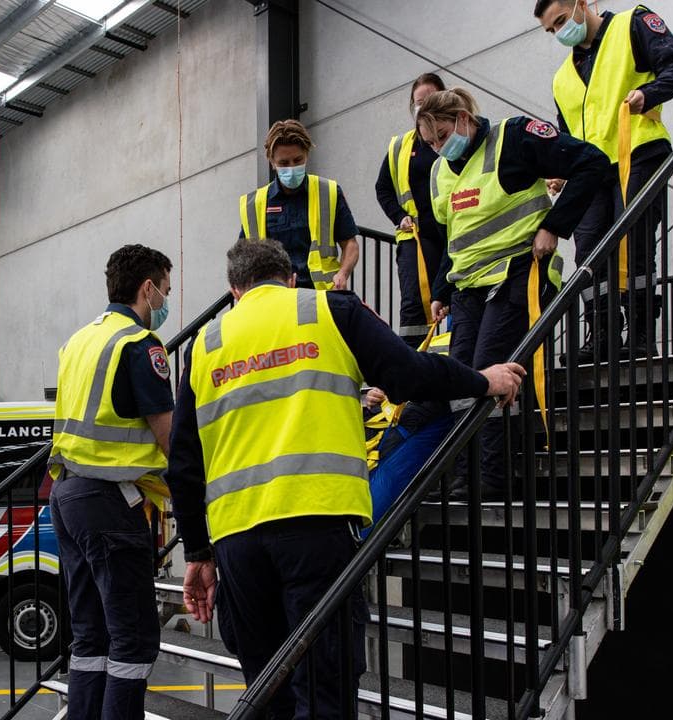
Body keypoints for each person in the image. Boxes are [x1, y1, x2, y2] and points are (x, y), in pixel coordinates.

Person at [167, 239, 526, 719]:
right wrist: (483, 381)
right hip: (317, 526)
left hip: (236, 542)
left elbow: (184, 464)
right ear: (290, 278)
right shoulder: (328, 310)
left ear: (234, 290)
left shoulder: (206, 345)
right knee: (325, 691)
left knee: (266, 695)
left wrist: (196, 553)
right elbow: (411, 374)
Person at [419, 88, 608, 501]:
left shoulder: (514, 137)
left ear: (465, 119)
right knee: (459, 379)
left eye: (443, 135)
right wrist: (441, 289)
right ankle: (461, 478)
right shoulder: (440, 173)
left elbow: (591, 162)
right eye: (431, 143)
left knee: (491, 368)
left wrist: (555, 225)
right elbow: (453, 236)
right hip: (468, 286)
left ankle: (493, 478)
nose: (438, 148)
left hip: (518, 272)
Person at [47, 244, 175, 720]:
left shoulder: (79, 340)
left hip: (66, 494)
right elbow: (170, 440)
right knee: (135, 638)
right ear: (147, 288)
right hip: (107, 501)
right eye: (165, 289)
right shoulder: (139, 345)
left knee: (92, 635)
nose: (165, 300)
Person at [535, 0, 673, 361]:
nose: (559, 32)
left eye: (561, 21)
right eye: (551, 30)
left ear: (582, 4)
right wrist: (561, 167)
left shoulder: (631, 24)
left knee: (634, 246)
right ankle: (601, 333)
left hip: (637, 150)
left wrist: (648, 94)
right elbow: (568, 131)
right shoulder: (563, 78)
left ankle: (640, 332)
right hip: (591, 171)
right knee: (589, 250)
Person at [374, 71, 452, 347]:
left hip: (453, 229)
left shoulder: (455, 137)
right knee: (414, 302)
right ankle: (413, 361)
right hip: (417, 236)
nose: (423, 105)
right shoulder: (402, 146)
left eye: (430, 98)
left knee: (452, 295)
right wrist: (399, 216)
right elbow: (382, 188)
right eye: (418, 102)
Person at [239, 119, 360, 291]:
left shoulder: (328, 192)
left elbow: (350, 244)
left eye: (297, 160)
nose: (292, 167)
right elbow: (243, 258)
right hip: (275, 297)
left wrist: (343, 274)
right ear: (272, 162)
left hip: (322, 294)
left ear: (307, 155)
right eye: (284, 163)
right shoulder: (255, 204)